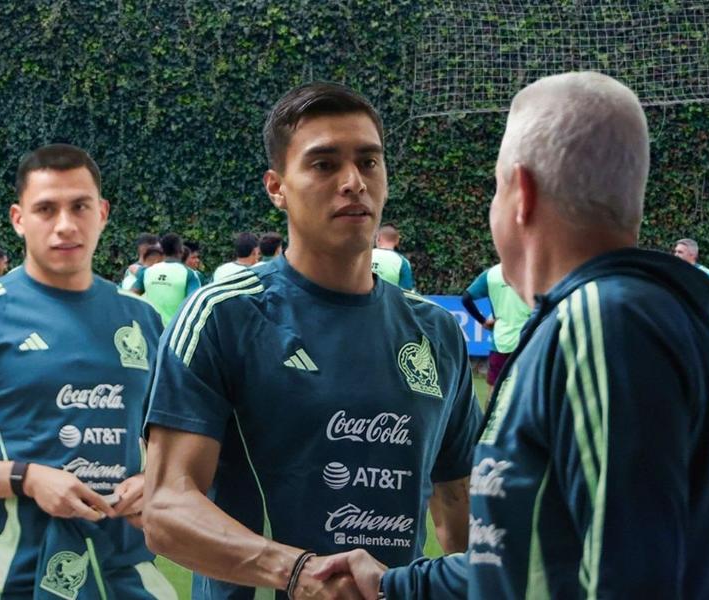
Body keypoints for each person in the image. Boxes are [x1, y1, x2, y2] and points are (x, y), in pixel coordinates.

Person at [309, 71, 709, 600]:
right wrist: (394, 586)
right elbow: (521, 554)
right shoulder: (577, 326)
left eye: (495, 186)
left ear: (522, 193)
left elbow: (630, 578)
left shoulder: (603, 323)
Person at [137, 82, 481, 599]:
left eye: (369, 162)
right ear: (277, 187)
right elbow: (165, 509)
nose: (353, 182)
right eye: (324, 165)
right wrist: (297, 573)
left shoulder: (436, 333)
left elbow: (458, 506)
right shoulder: (222, 316)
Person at [0, 143, 176, 599]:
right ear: (19, 218)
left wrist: (154, 480)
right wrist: (29, 478)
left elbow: (174, 442)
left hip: (129, 573)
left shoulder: (142, 319)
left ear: (102, 212)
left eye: (79, 206)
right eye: (46, 209)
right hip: (16, 578)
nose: (65, 225)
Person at [461, 263, 532, 387]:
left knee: (494, 390)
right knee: (529, 389)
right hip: (529, 339)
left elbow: (466, 298)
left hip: (501, 341)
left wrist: (482, 321)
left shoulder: (490, 274)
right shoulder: (535, 269)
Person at [130, 233, 203, 326]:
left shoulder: (147, 272)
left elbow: (130, 296)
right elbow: (195, 304)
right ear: (181, 250)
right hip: (175, 333)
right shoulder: (189, 274)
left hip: (151, 331)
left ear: (162, 250)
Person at [371, 224, 414, 290]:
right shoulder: (402, 262)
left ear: (378, 238)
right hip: (389, 299)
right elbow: (406, 290)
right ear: (397, 241)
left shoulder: (363, 256)